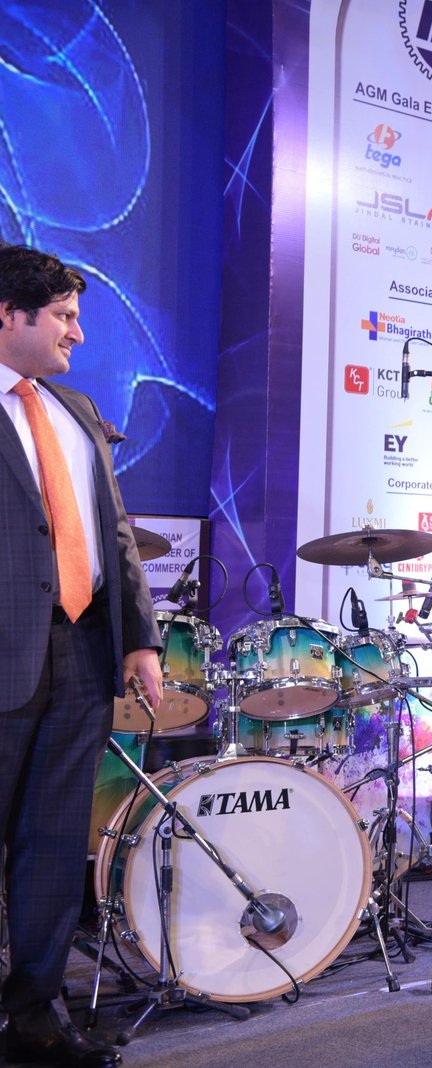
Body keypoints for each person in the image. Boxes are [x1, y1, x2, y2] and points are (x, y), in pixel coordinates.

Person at [0, 245, 162, 1066]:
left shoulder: (76, 409)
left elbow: (115, 533)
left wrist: (140, 638)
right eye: (63, 316)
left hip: (82, 657)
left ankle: (34, 1016)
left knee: (54, 845)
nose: (77, 333)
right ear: (8, 314)